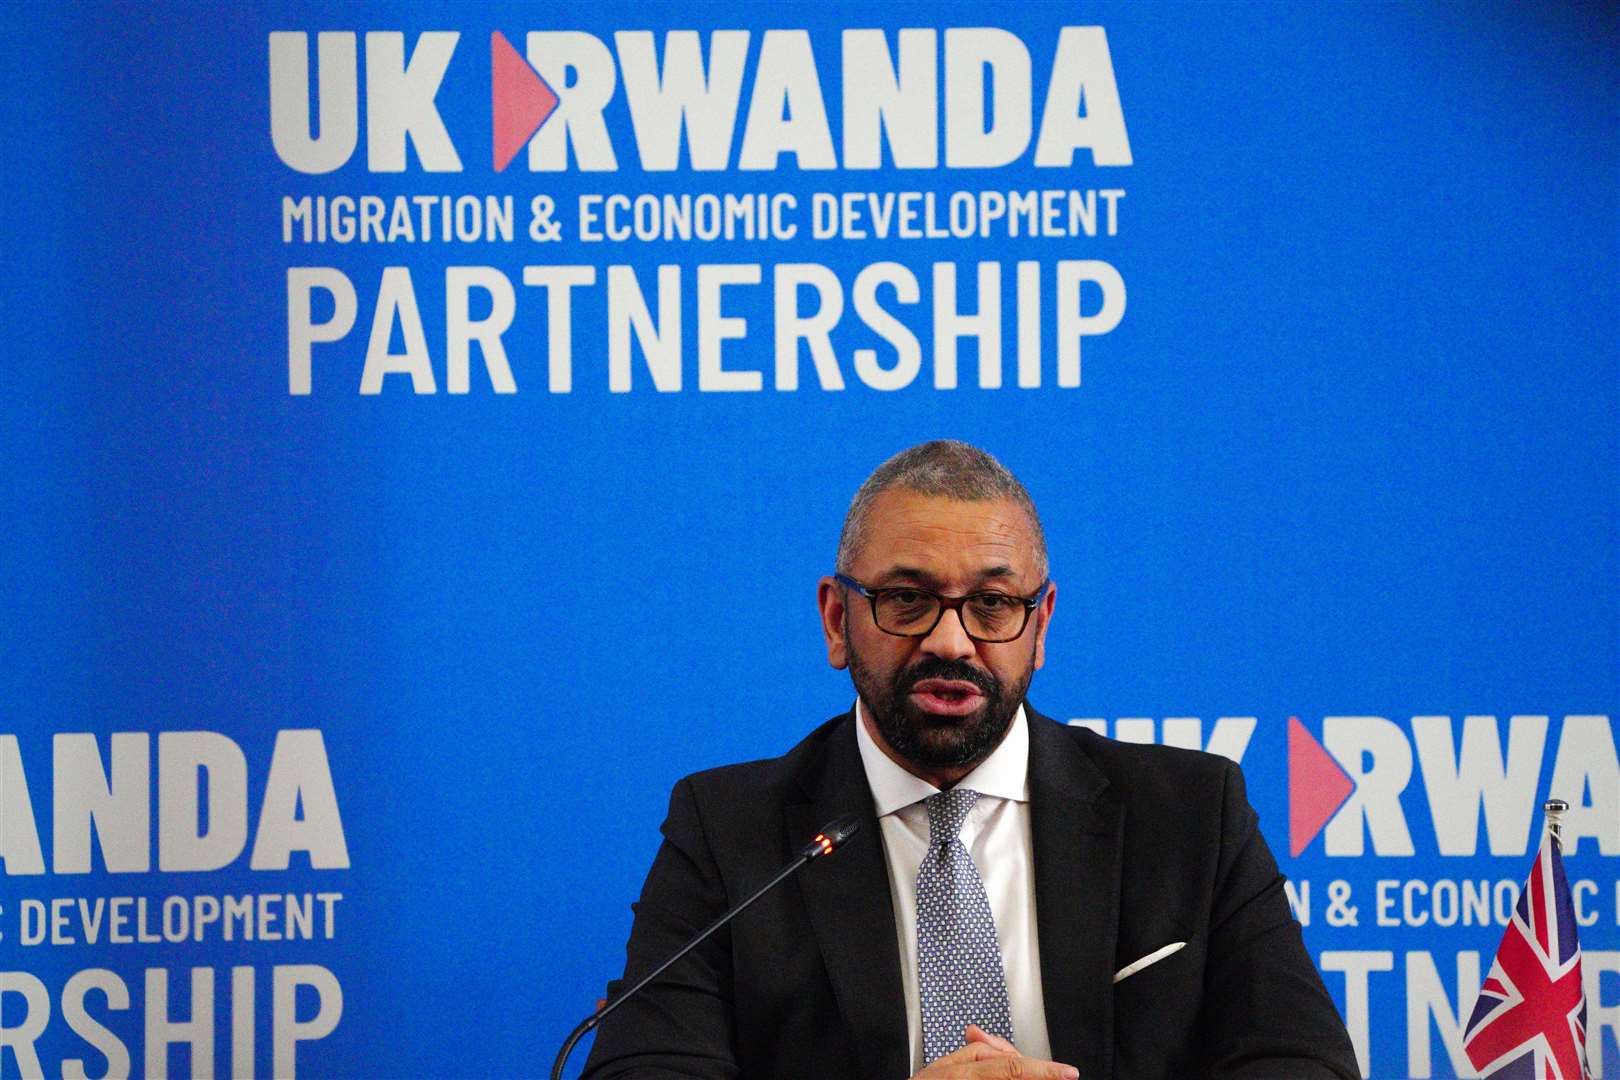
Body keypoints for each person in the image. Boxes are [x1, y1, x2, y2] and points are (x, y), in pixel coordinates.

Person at [582, 440, 1358, 1080]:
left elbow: (1301, 1065)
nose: (950, 642)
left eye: (992, 604)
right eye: (907, 600)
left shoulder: (1190, 814)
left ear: (1041, 623)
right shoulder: (728, 833)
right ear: (836, 618)